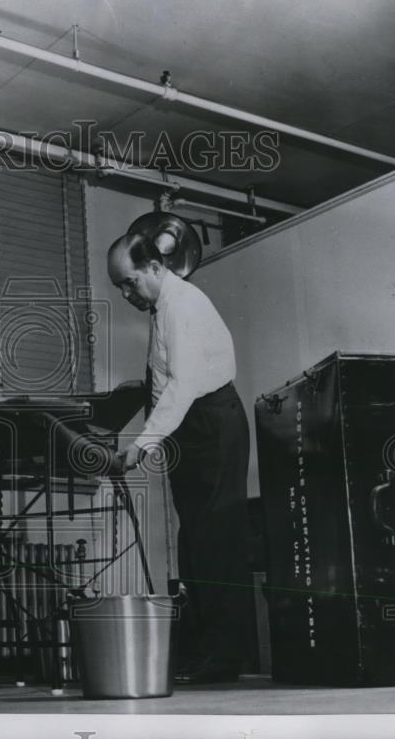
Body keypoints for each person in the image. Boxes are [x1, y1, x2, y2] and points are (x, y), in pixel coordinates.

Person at [107, 232, 250, 684]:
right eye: (120, 288)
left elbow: (183, 385)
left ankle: (225, 656)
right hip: (194, 426)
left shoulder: (181, 305)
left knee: (215, 541)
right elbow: (167, 378)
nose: (127, 294)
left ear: (153, 267)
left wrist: (141, 444)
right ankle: (209, 651)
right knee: (195, 542)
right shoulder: (164, 306)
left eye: (129, 283)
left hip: (210, 421)